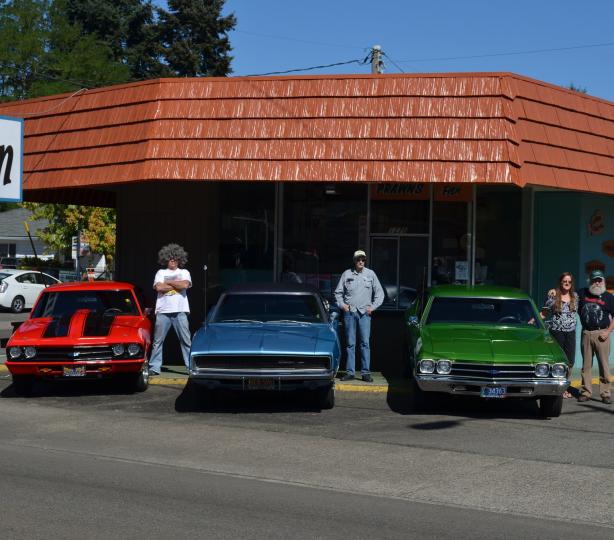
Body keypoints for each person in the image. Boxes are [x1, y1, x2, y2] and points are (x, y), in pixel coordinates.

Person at [334, 250, 384, 382]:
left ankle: (365, 373)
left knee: (365, 343)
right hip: (350, 313)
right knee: (350, 344)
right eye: (358, 259)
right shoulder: (347, 274)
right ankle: (350, 372)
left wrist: (372, 307)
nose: (361, 261)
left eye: (363, 259)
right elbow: (338, 293)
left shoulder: (371, 274)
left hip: (364, 314)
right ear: (354, 261)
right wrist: (343, 306)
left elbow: (380, 293)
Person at [148, 243, 192, 376]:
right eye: (170, 258)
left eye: (175, 257)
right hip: (163, 312)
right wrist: (176, 285)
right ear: (166, 259)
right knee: (157, 341)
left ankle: (191, 367)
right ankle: (154, 367)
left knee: (186, 340)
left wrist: (169, 283)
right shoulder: (160, 272)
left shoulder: (184, 272)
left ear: (179, 259)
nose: (172, 260)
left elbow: (185, 285)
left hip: (180, 311)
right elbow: (159, 288)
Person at [576, 269, 613, 404]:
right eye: (594, 280)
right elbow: (567, 294)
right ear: (589, 281)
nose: (597, 283)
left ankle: (605, 393)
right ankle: (586, 391)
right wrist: (553, 291)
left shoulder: (609, 297)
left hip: (601, 334)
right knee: (586, 365)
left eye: (599, 280)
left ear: (603, 281)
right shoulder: (581, 293)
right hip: (586, 333)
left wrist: (608, 331)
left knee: (604, 365)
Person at [543, 272, 578, 398]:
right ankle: (560, 389)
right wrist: (533, 321)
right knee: (558, 361)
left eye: (569, 281)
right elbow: (544, 312)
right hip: (556, 332)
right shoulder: (553, 296)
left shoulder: (575, 296)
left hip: (570, 333)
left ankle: (565, 386)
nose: (567, 283)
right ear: (560, 283)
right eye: (565, 281)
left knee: (570, 362)